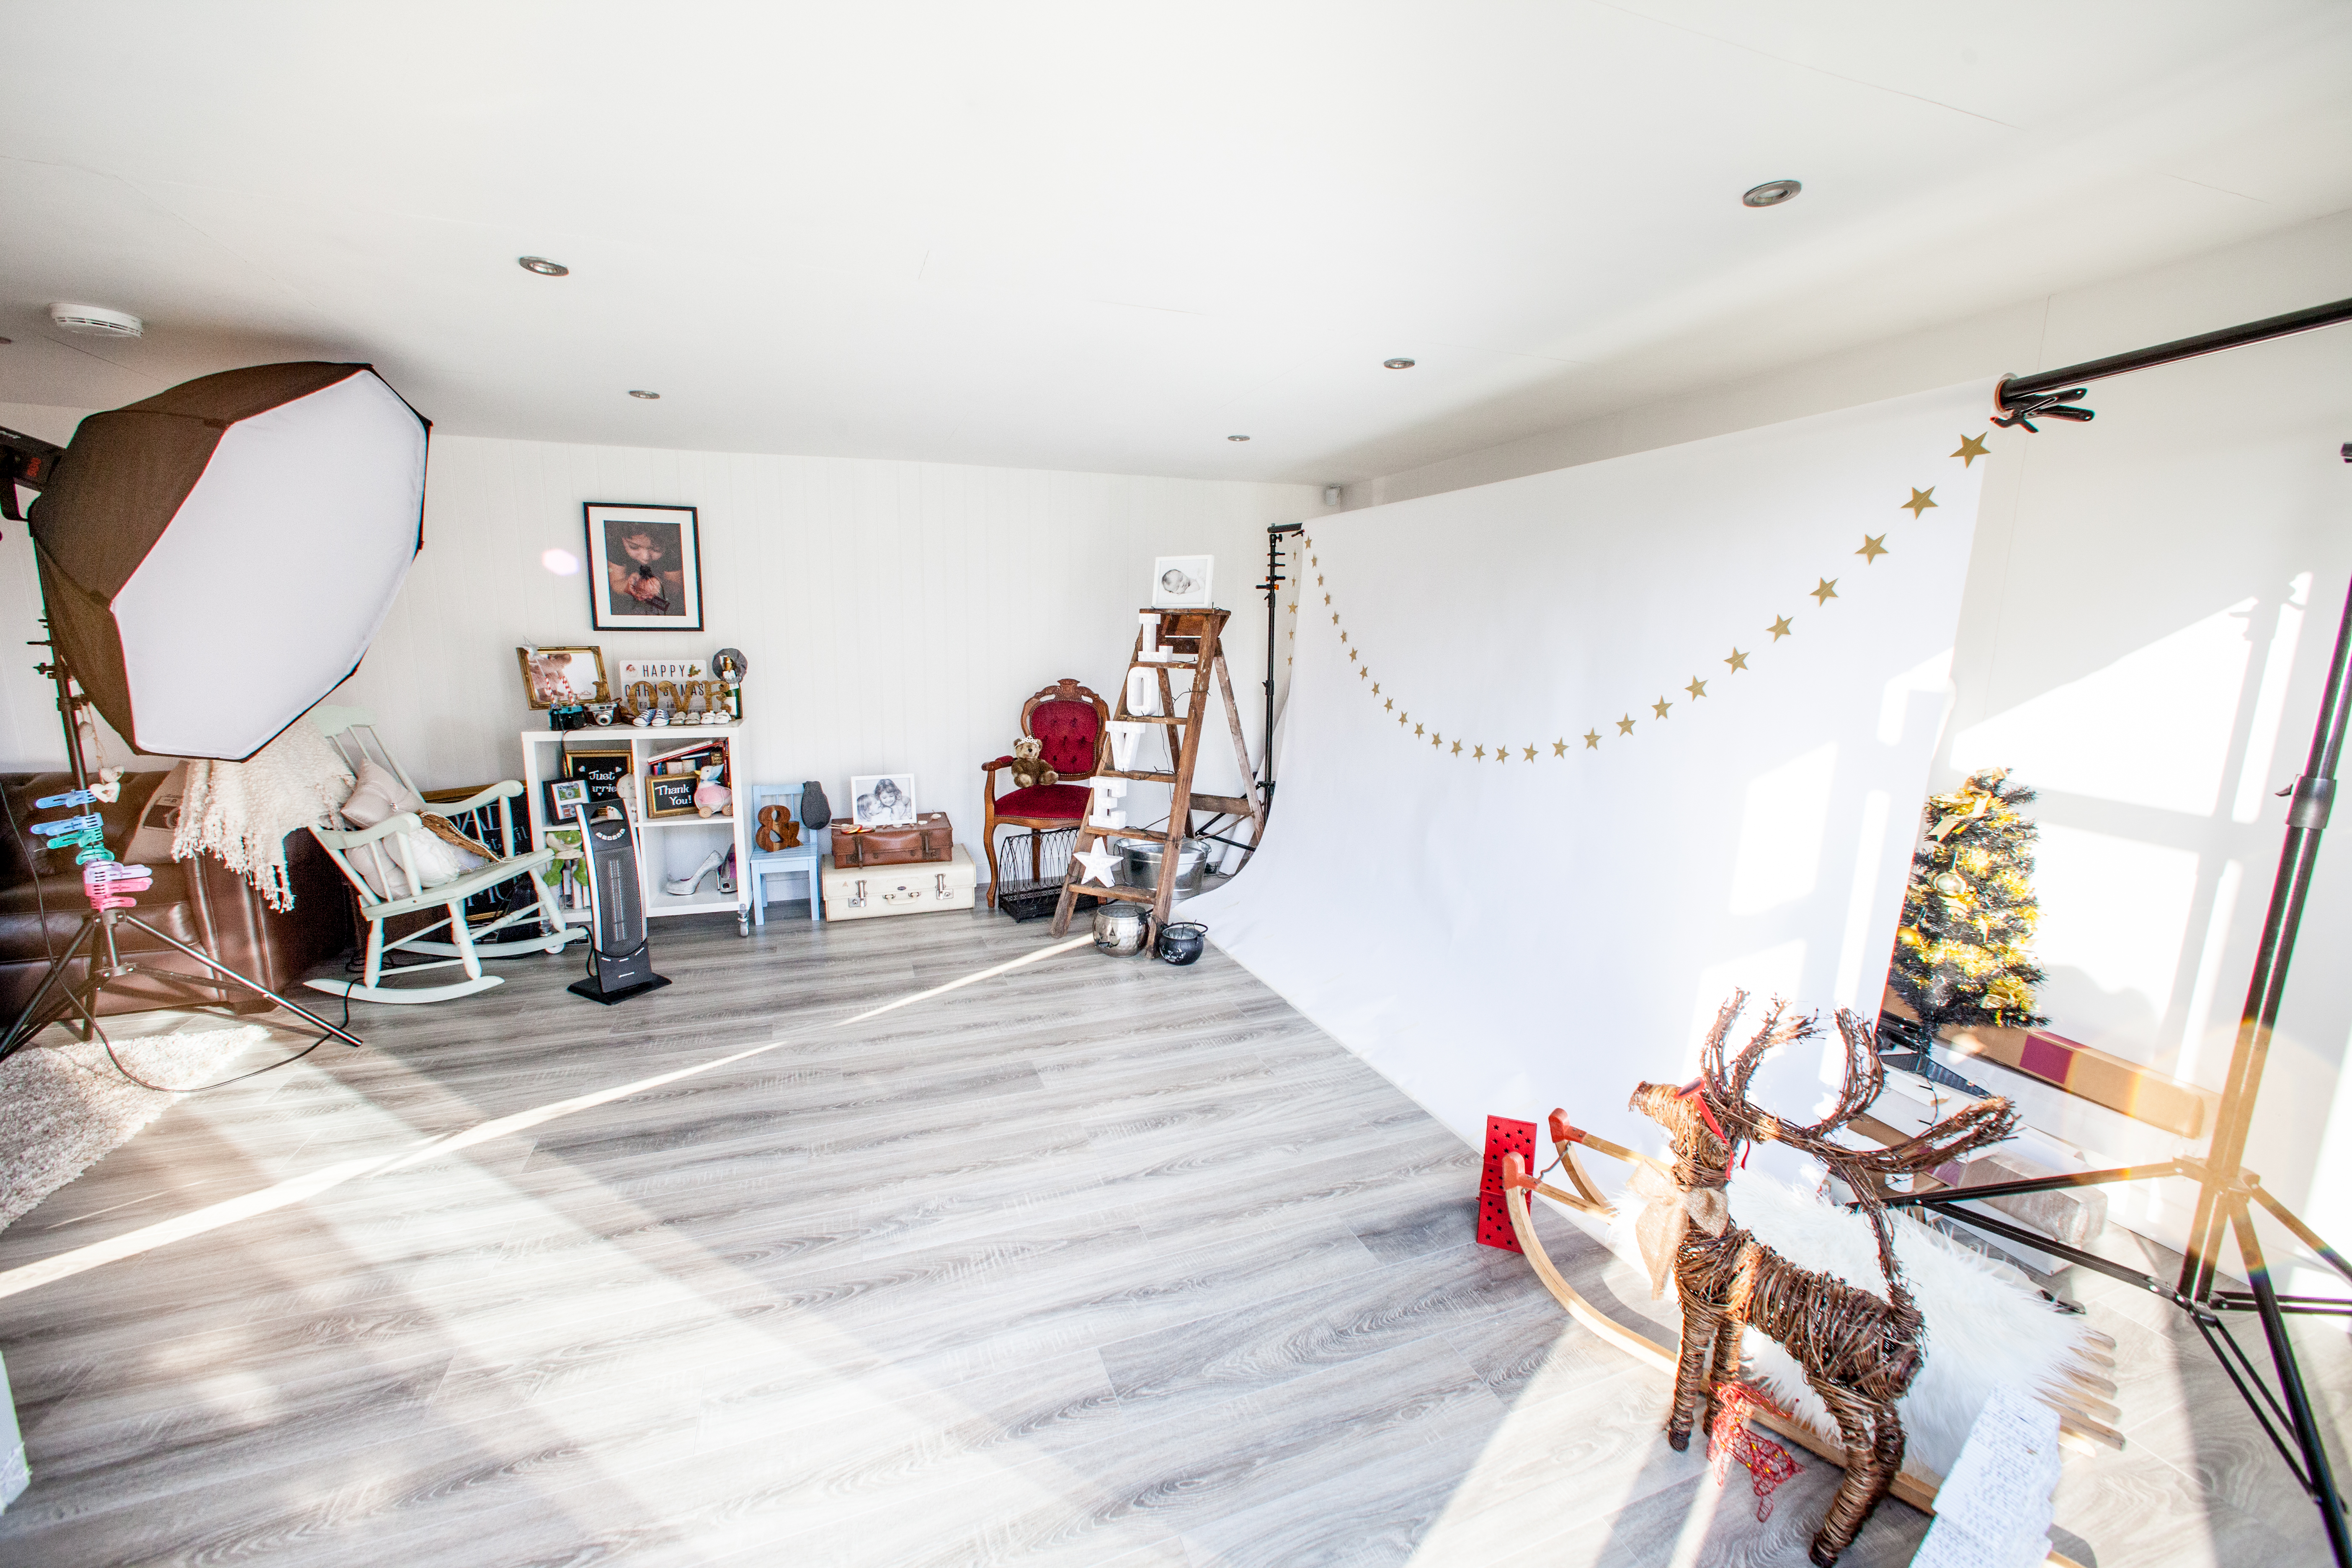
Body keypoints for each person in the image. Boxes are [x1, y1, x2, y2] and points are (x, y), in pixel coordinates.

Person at [606, 523, 683, 616]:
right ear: (623, 540)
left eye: (656, 549)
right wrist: (628, 585)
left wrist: (662, 585)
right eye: (634, 547)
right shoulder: (616, 545)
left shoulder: (673, 550)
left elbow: (677, 585)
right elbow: (615, 583)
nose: (645, 557)